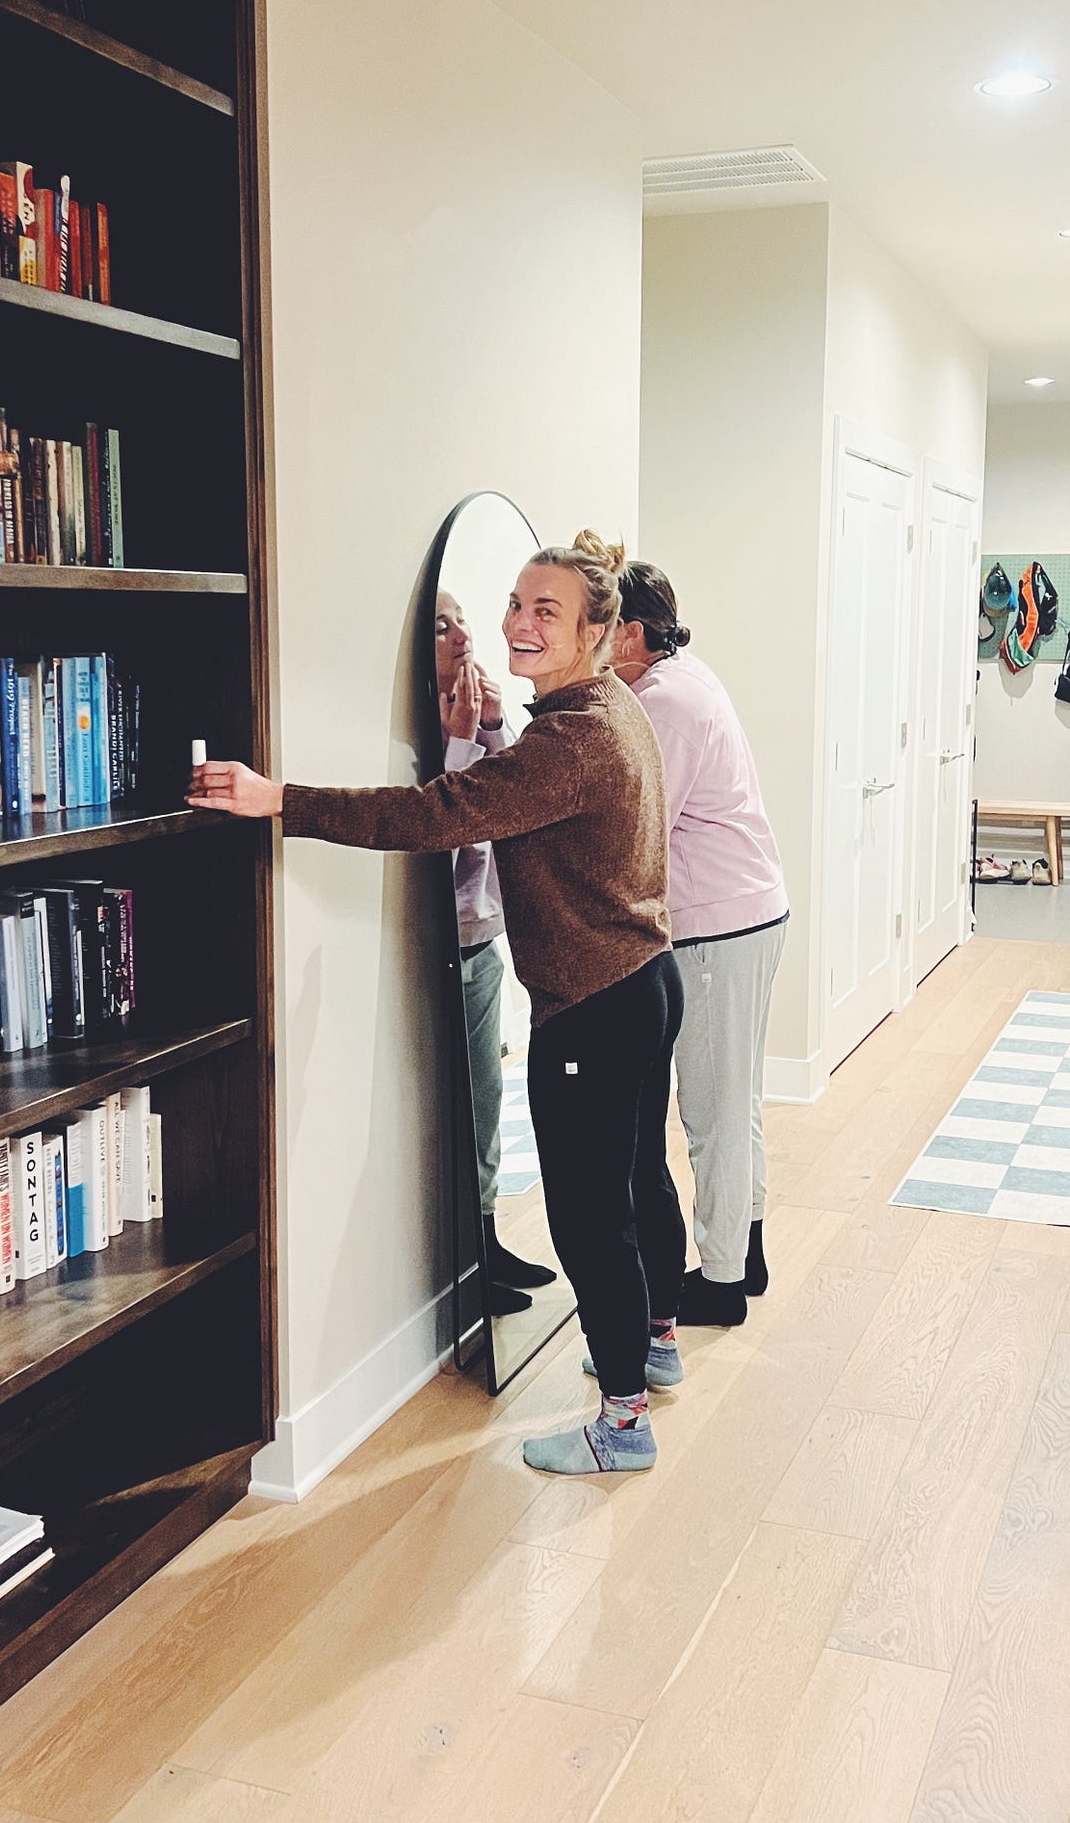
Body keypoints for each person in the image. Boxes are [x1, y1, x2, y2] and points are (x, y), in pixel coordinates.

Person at [189, 532, 687, 1477]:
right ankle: (652, 1342)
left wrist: (278, 798)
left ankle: (623, 1420)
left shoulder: (573, 739)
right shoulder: (609, 707)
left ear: (595, 630)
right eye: (515, 602)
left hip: (593, 1002)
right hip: (643, 981)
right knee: (634, 1180)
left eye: (547, 611)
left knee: (589, 1215)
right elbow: (519, 799)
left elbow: (432, 815)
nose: (520, 622)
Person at [612, 560, 787, 1328]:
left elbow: (642, 824)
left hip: (718, 925)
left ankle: (718, 1280)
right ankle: (742, 1251)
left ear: (633, 632)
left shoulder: (662, 704)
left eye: (599, 622)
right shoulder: (683, 678)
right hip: (748, 912)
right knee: (737, 1097)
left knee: (711, 1110)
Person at [433, 589, 556, 1317]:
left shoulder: (469, 719)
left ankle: (487, 1240)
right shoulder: (420, 729)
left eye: (463, 619)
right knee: (468, 1106)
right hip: (449, 951)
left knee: (490, 1100)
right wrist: (457, 739)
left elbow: (517, 802)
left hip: (485, 943)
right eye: (442, 624)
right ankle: (469, 1254)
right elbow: (442, 832)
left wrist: (490, 724)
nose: (464, 634)